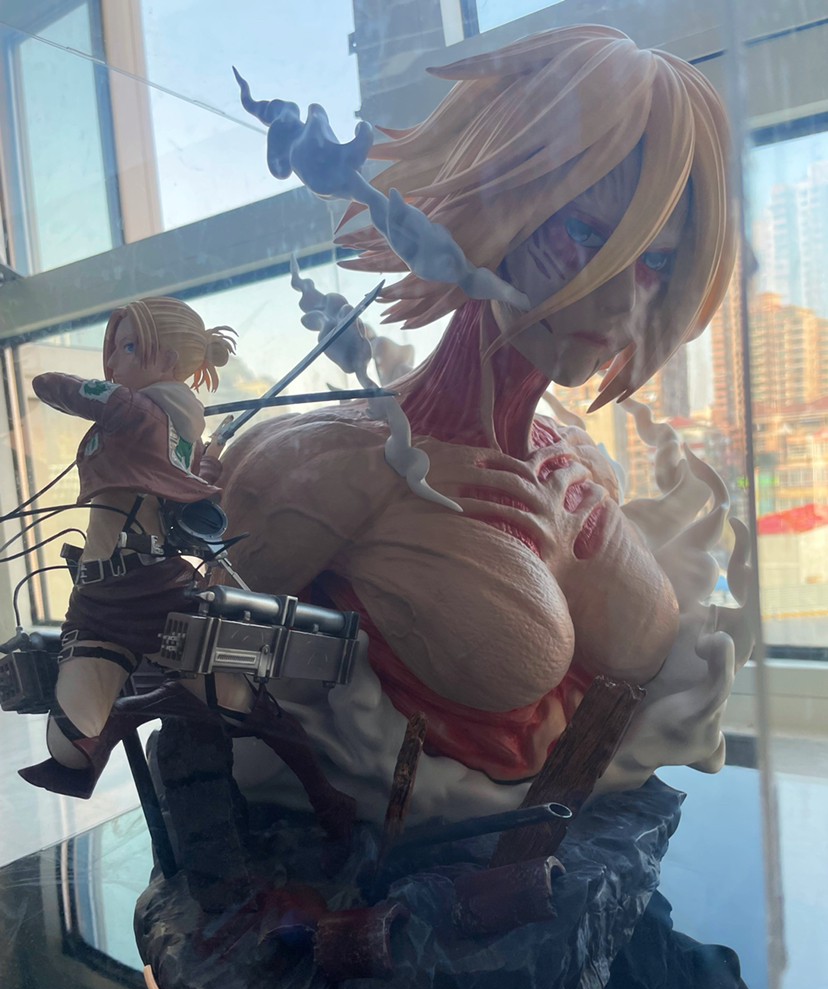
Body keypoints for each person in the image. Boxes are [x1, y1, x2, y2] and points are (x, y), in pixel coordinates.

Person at [216, 26, 745, 824]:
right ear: (501, 208)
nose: (620, 302)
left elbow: (644, 659)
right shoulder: (335, 462)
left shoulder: (573, 463)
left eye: (658, 262)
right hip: (374, 861)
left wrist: (559, 552)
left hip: (562, 848)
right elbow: (210, 650)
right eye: (585, 234)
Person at [20, 297, 356, 838]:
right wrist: (201, 467)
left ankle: (325, 797)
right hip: (97, 596)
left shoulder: (136, 410)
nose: (114, 362)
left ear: (169, 359)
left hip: (151, 589)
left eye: (129, 348)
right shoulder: (165, 425)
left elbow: (50, 384)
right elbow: (173, 486)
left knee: (241, 705)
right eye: (114, 349)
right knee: (70, 750)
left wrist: (109, 397)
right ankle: (143, 707)